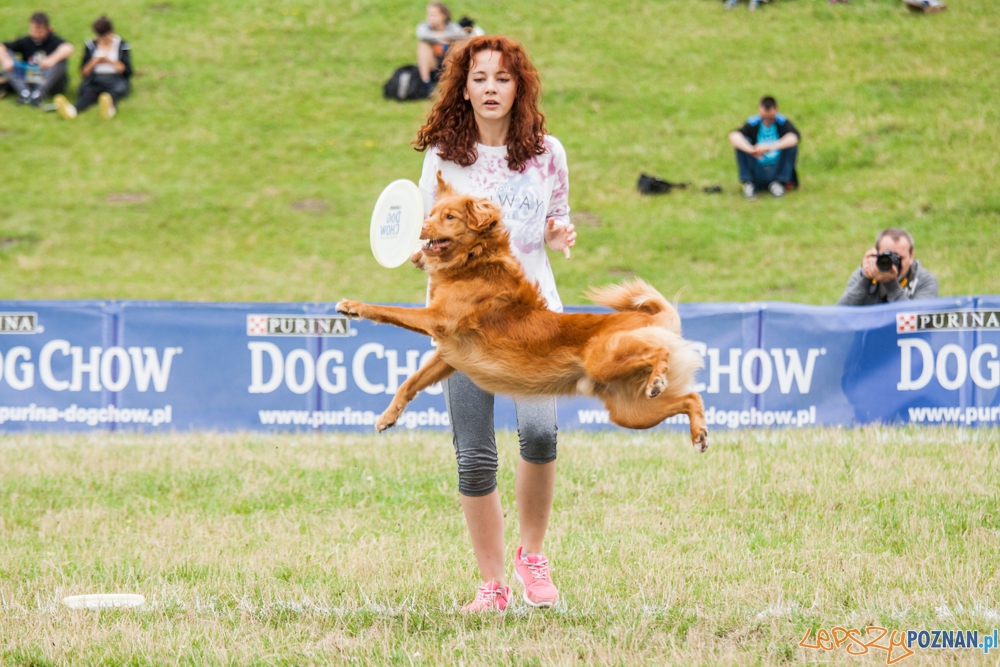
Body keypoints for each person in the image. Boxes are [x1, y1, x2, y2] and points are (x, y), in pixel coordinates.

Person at [413, 35, 576, 612]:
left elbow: (557, 220)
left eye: (502, 78)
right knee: (474, 452)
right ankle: (491, 584)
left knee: (538, 432)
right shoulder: (442, 159)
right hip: (466, 327)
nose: (490, 88)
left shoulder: (546, 152)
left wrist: (559, 233)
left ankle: (532, 558)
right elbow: (427, 239)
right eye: (479, 78)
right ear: (463, 86)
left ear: (519, 87)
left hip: (533, 319)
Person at [53, 16, 132, 121]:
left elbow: (127, 71)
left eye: (105, 37)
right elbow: (83, 72)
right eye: (100, 37)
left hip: (115, 79)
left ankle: (108, 110)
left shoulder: (122, 46)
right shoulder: (91, 46)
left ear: (111, 32)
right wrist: (94, 62)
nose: (102, 40)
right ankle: (72, 111)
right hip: (95, 79)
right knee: (88, 93)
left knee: (111, 94)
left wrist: (110, 61)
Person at [836, 228, 939, 305]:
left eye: (899, 258)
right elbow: (841, 314)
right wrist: (866, 280)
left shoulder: (925, 280)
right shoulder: (862, 274)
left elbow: (917, 320)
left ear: (911, 256)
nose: (893, 264)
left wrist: (891, 284)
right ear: (876, 254)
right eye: (886, 257)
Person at [728, 96, 800, 199]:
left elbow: (794, 137)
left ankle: (779, 183)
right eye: (764, 118)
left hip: (776, 167)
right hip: (757, 167)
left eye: (770, 118)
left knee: (791, 146)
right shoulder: (753, 123)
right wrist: (751, 150)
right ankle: (749, 183)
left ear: (776, 110)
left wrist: (770, 147)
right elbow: (734, 135)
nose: (766, 121)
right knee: (742, 143)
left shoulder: (783, 122)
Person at [0, 12, 73, 107]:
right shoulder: (26, 41)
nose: (36, 35)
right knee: (6, 55)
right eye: (33, 31)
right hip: (30, 78)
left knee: (61, 61)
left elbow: (68, 48)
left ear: (48, 29)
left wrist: (51, 60)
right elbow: (2, 47)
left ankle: (39, 94)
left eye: (40, 32)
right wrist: (6, 60)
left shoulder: (53, 40)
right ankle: (24, 92)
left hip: (50, 81)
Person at [415, 2, 466, 91]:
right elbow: (422, 35)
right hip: (433, 64)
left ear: (443, 16)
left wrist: (445, 38)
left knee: (457, 45)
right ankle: (426, 82)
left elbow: (463, 35)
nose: (430, 18)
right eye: (429, 15)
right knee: (424, 44)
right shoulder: (424, 27)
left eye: (434, 15)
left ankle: (452, 81)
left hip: (448, 63)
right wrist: (442, 38)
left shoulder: (452, 27)